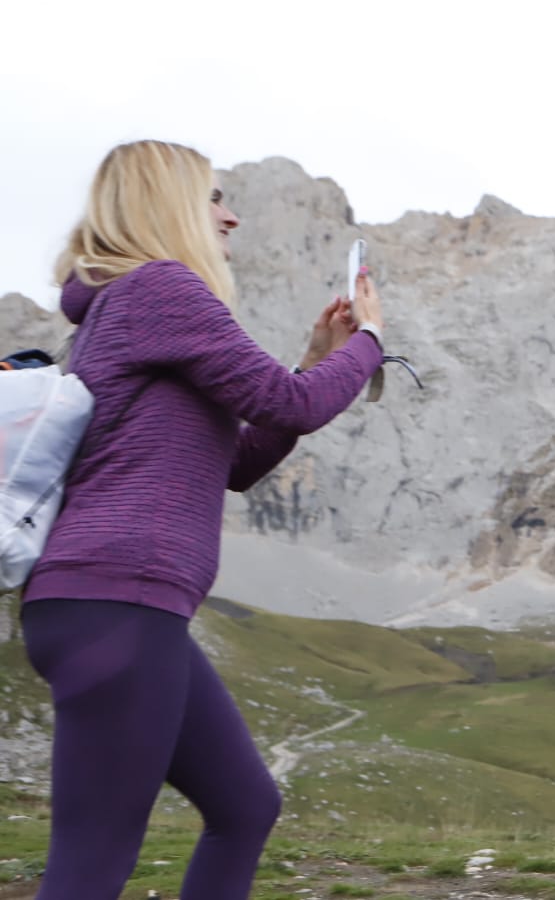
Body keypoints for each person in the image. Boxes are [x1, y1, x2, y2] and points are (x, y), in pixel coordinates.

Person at [20, 140, 387, 899]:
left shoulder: (125, 307)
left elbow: (241, 462)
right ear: (170, 204)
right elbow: (298, 403)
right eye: (215, 198)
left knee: (246, 804)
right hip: (117, 599)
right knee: (92, 861)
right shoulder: (161, 290)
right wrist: (370, 345)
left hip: (117, 603)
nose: (232, 215)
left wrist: (317, 356)